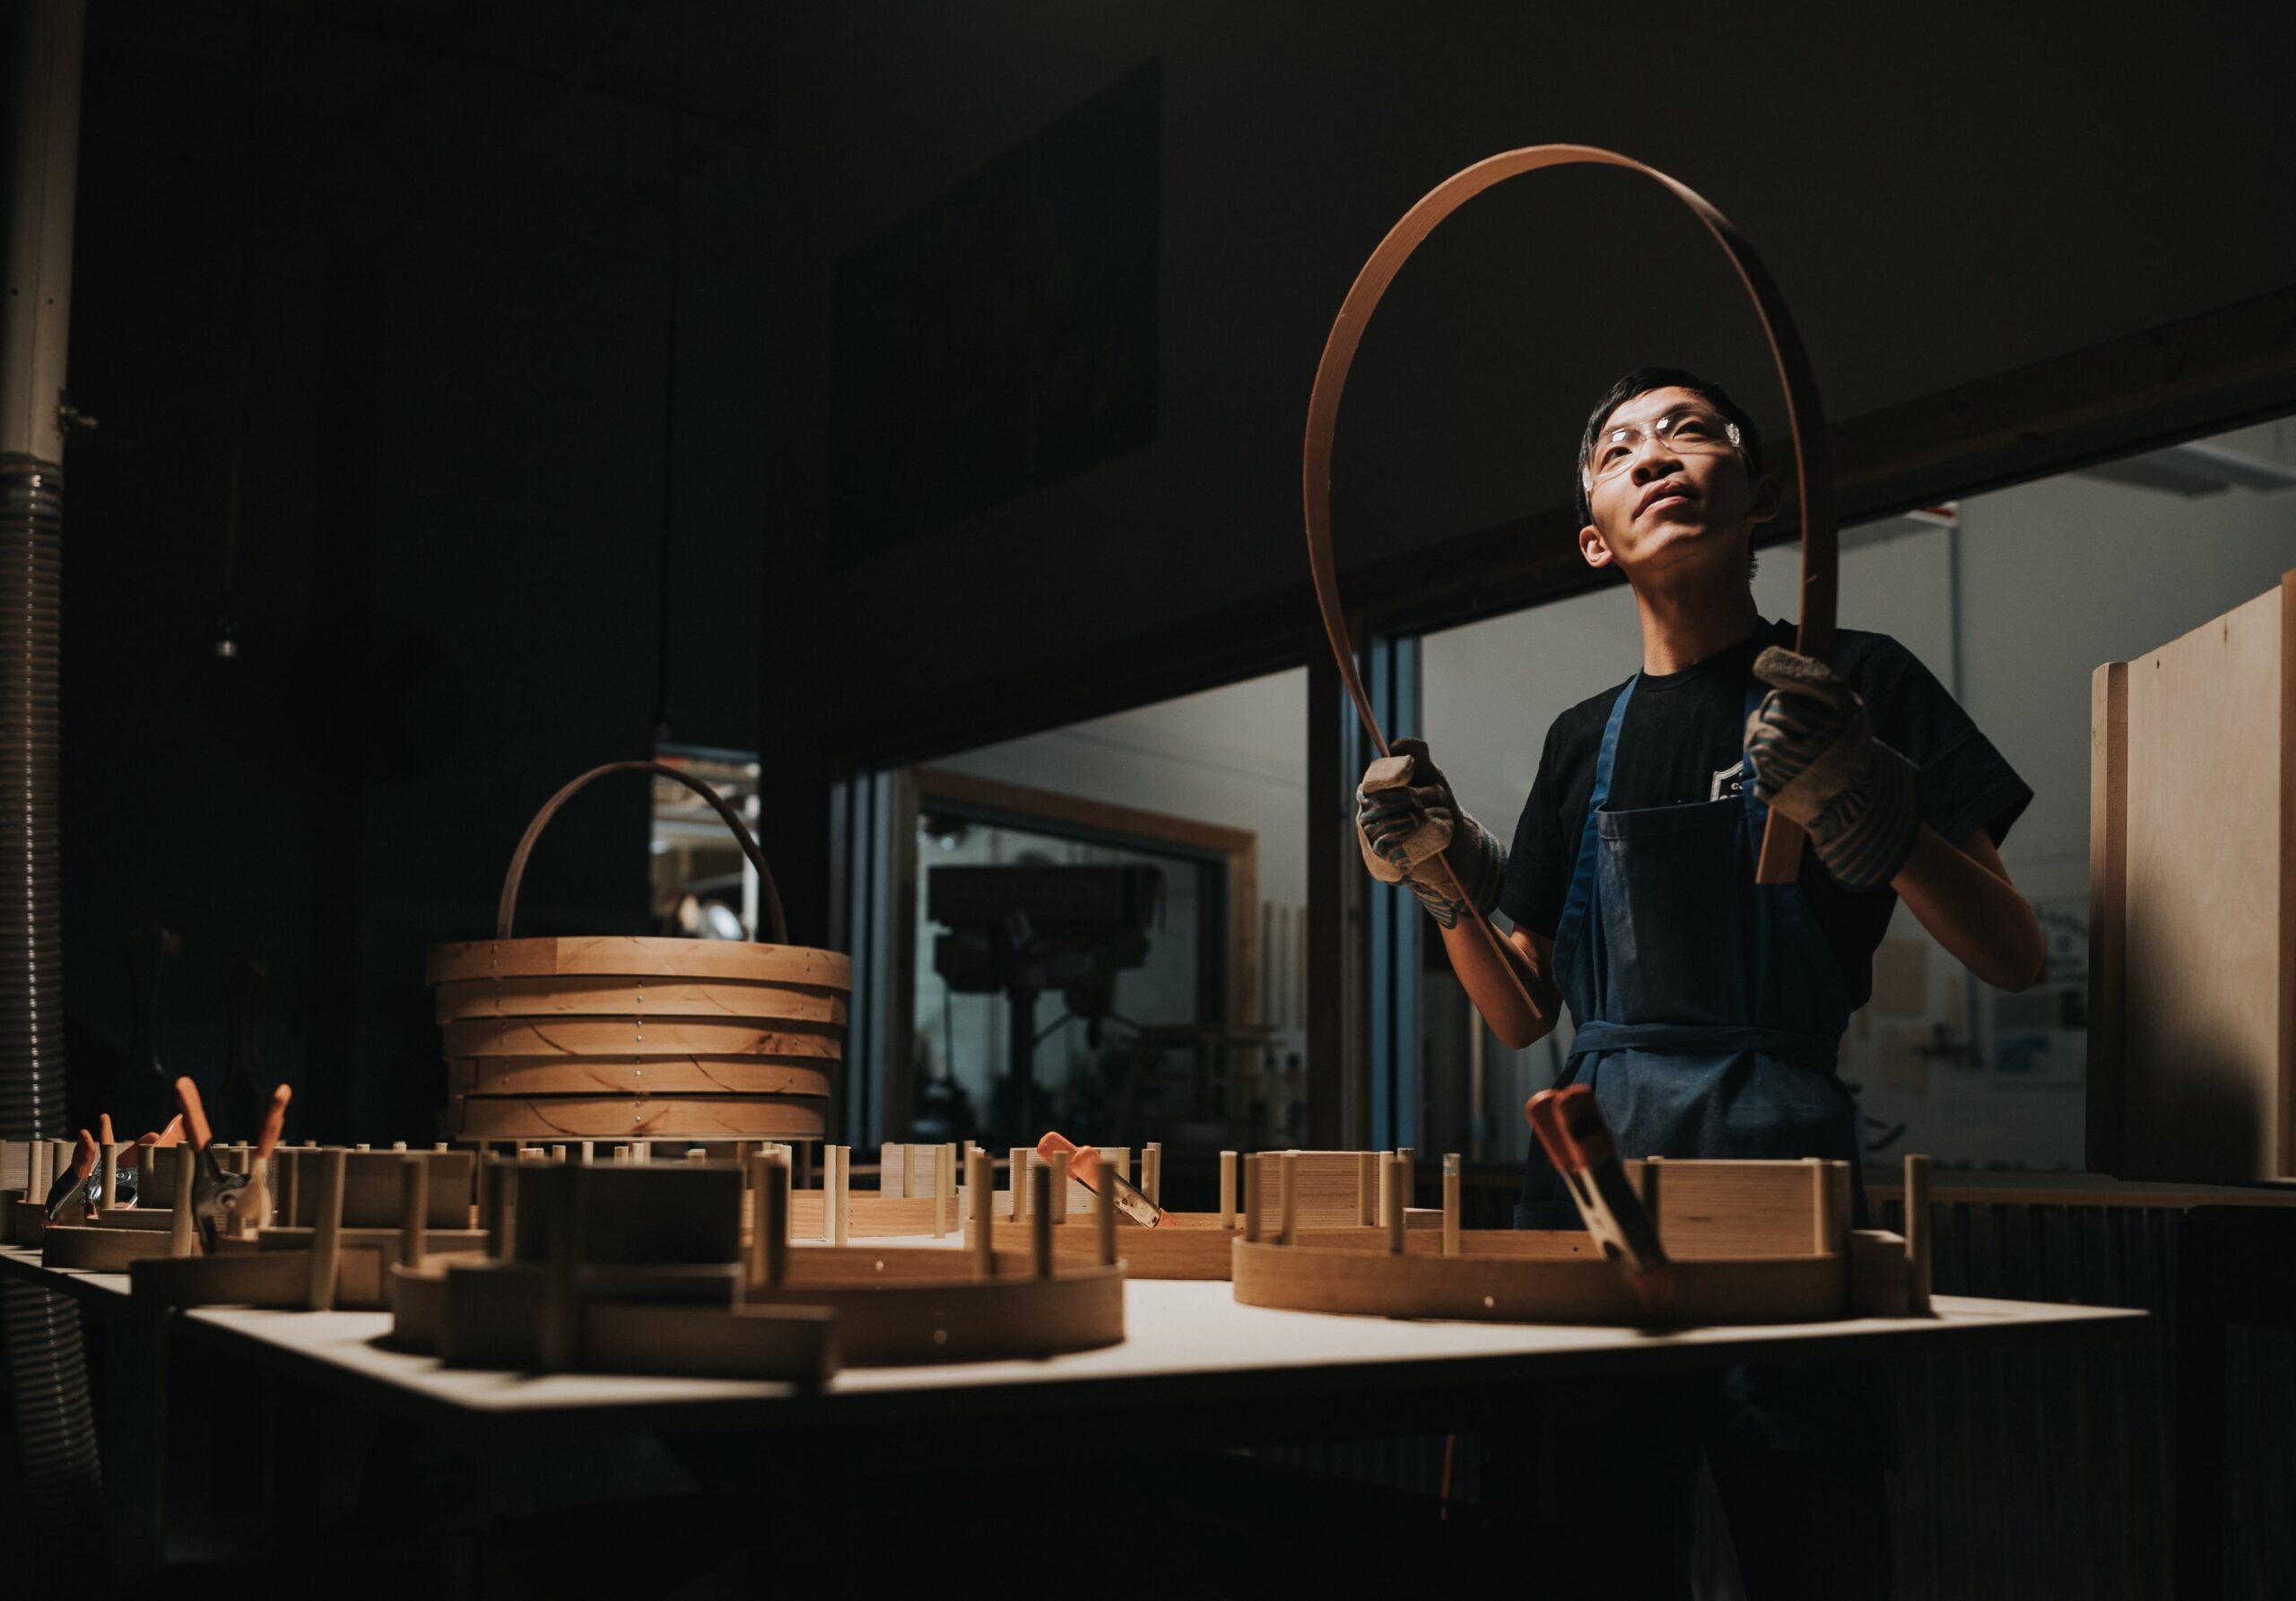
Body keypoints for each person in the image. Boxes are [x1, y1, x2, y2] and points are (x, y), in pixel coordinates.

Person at [1355, 367, 2043, 1597]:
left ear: (1759, 491)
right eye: (1620, 448)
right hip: (1588, 1185)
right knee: (1582, 1554)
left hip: (1779, 1184)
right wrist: (1438, 882)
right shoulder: (1583, 739)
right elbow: (1520, 1009)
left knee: (1813, 1551)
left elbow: (2014, 951)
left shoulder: (1857, 684)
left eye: (1690, 430)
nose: (1656, 454)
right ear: (1592, 535)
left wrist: (1870, 805)